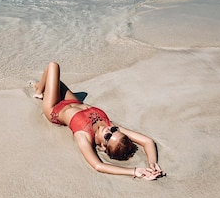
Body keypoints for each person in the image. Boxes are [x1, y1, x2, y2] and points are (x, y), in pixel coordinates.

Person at [32, 61, 164, 180]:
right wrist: (153, 163)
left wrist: (134, 171)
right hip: (72, 101)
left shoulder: (84, 136)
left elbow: (98, 165)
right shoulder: (110, 126)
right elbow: (147, 141)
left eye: (108, 136)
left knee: (53, 67)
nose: (109, 129)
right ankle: (39, 87)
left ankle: (39, 91)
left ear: (101, 146)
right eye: (113, 130)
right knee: (57, 81)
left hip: (54, 108)